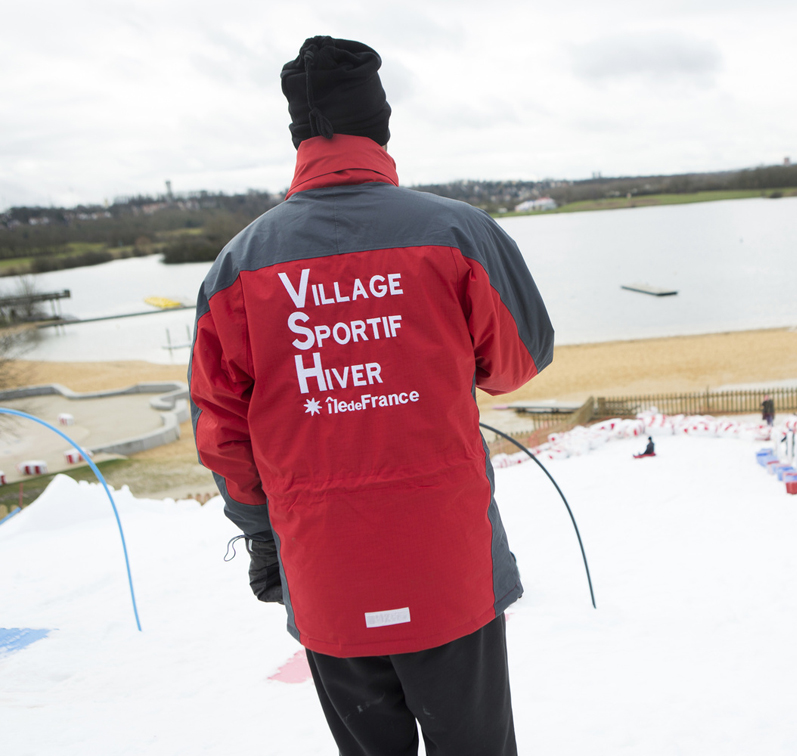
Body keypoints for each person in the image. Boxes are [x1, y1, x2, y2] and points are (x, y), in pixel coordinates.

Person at [190, 37, 553, 756]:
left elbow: (221, 433)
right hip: (449, 567)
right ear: (381, 125)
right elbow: (518, 361)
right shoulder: (456, 232)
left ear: (298, 134)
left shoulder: (239, 266)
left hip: (324, 573)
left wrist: (260, 536)